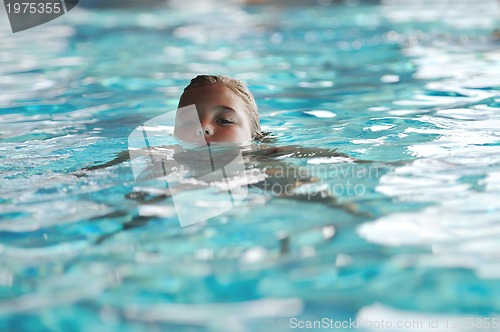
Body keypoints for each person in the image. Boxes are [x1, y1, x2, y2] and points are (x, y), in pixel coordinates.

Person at [84, 75, 371, 216]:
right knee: (137, 210)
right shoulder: (161, 156)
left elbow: (339, 158)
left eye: (224, 121)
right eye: (189, 120)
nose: (204, 126)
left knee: (302, 187)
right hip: (183, 192)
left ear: (254, 134)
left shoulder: (267, 154)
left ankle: (353, 214)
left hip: (254, 178)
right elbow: (90, 173)